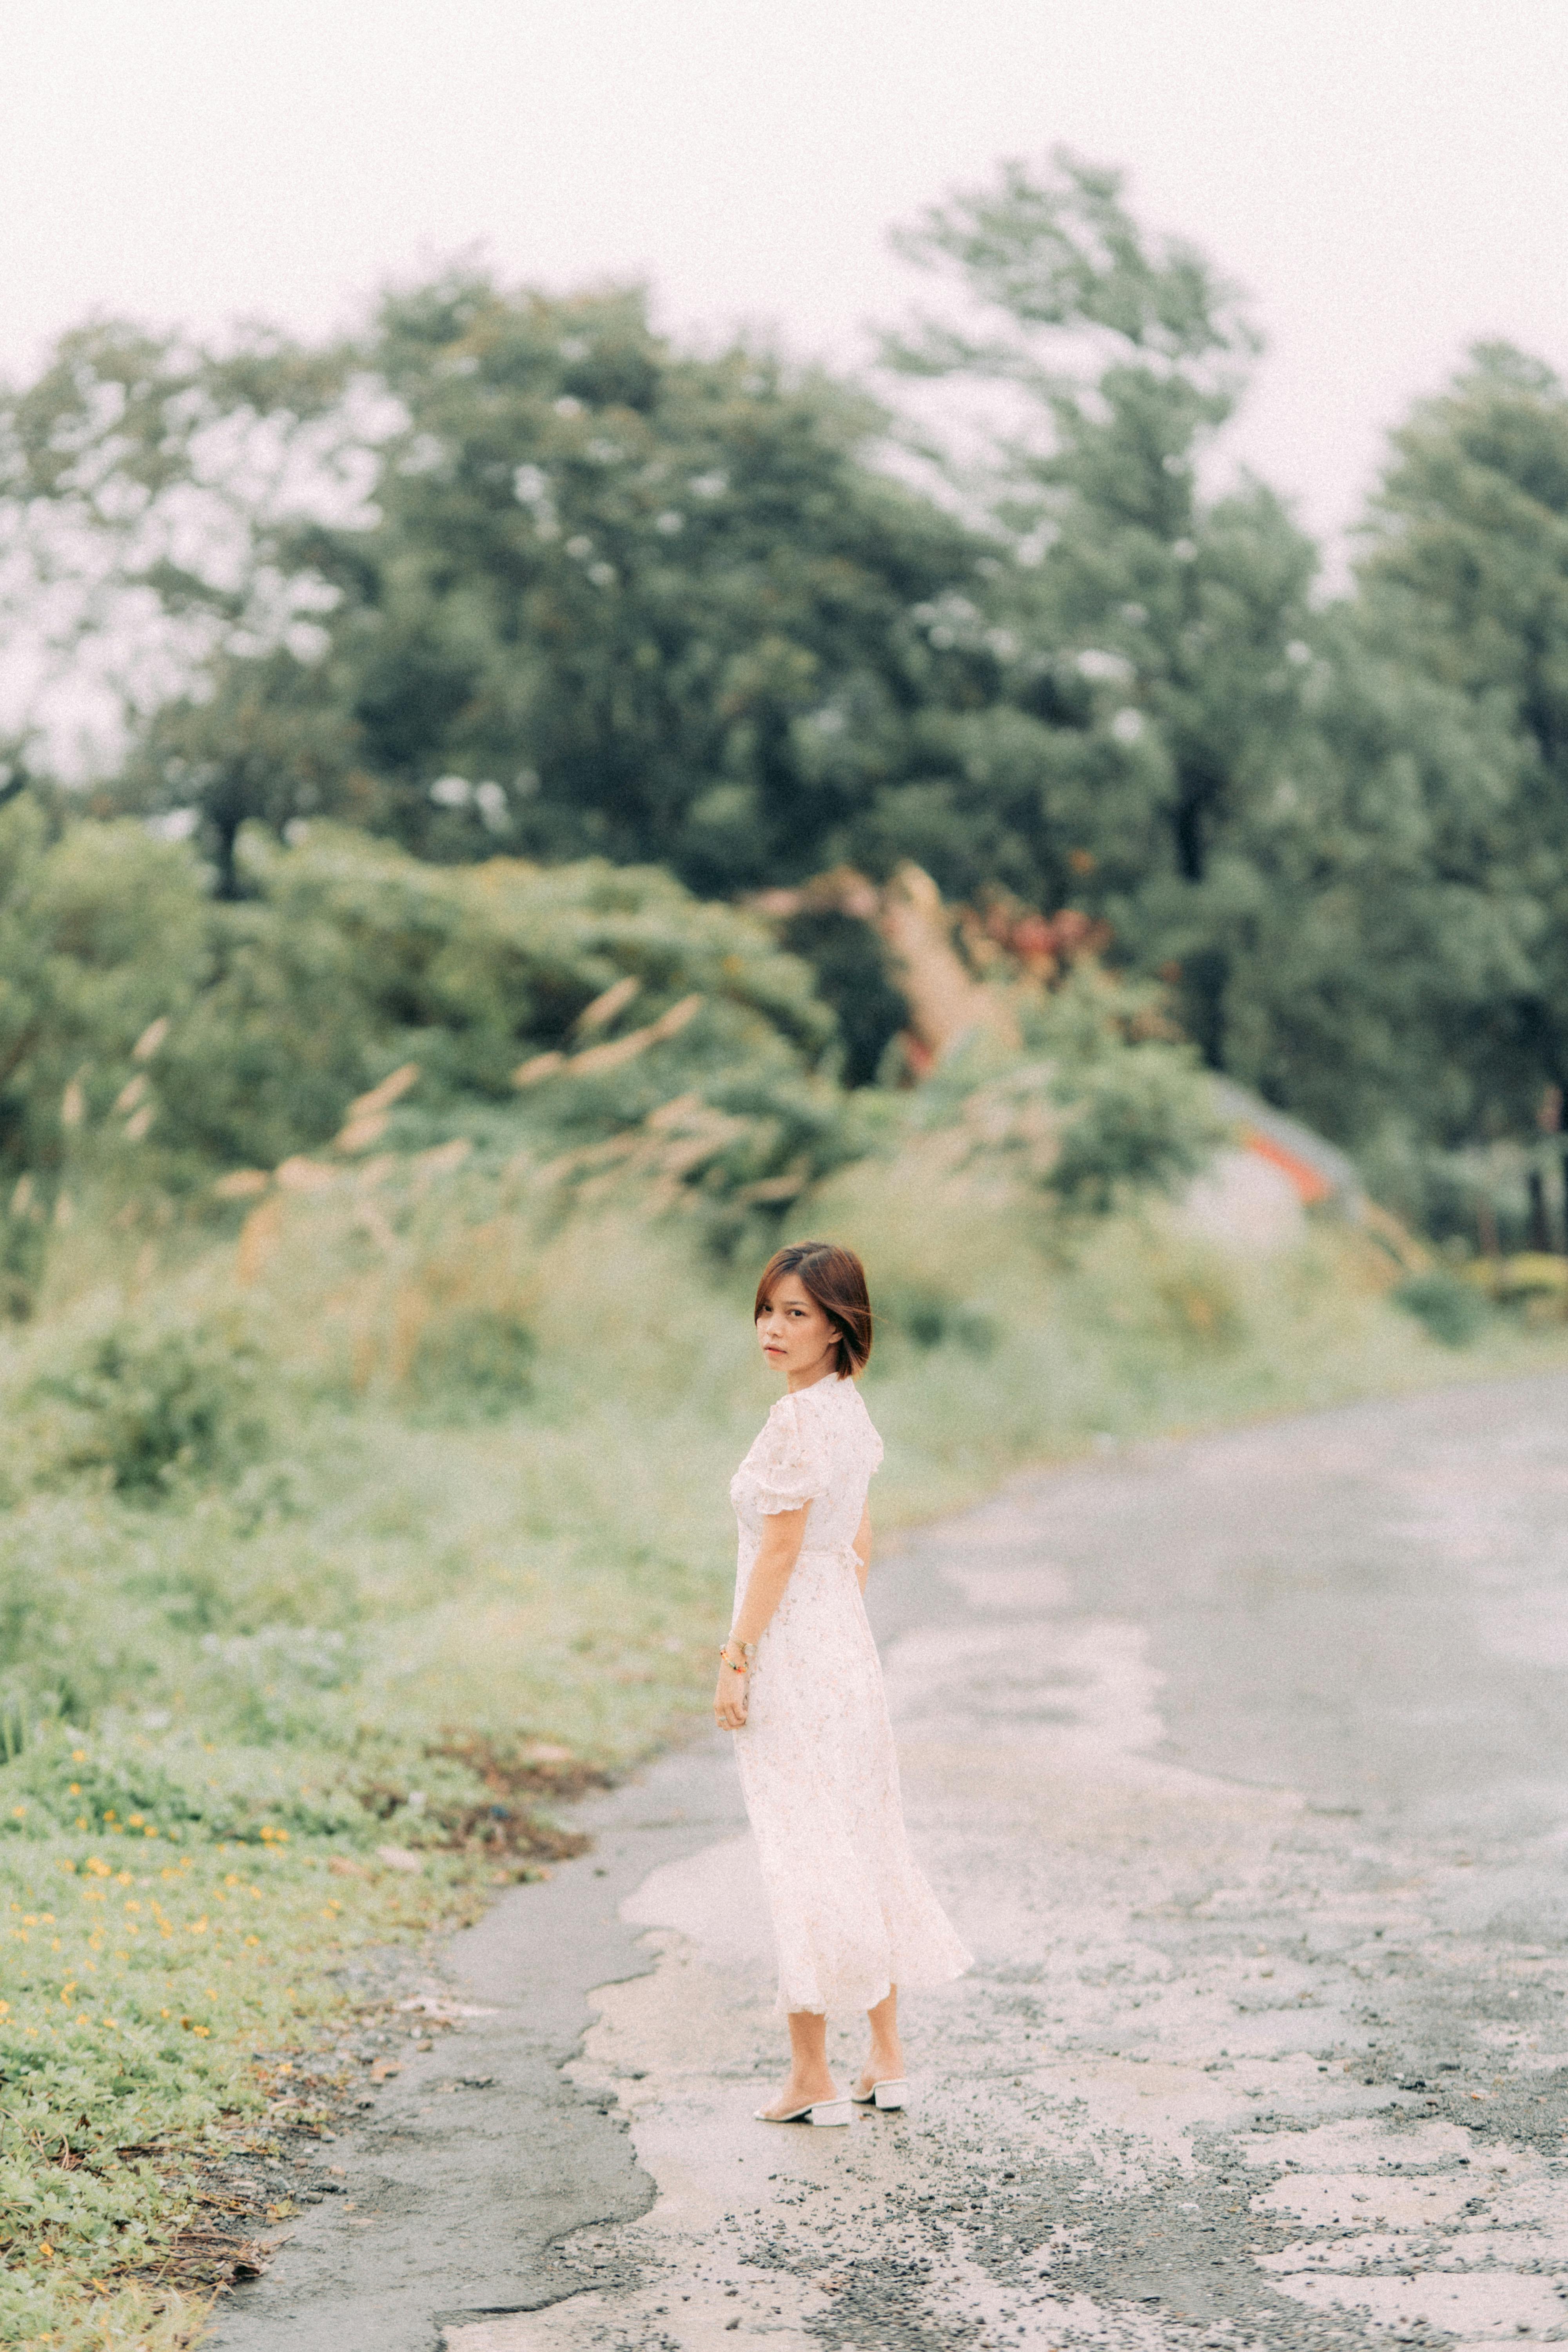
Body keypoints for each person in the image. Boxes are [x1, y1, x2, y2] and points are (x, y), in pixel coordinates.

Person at [715, 1240, 971, 2126]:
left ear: (837, 1324)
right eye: (768, 1310)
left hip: (793, 1646)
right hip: (842, 1643)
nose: (774, 1329)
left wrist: (737, 1657)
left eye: (797, 1314)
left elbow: (781, 1548)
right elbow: (854, 1543)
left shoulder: (794, 1423)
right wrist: (835, 1628)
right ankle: (888, 2062)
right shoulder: (845, 1410)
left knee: (803, 1850)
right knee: (864, 1837)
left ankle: (811, 2075)